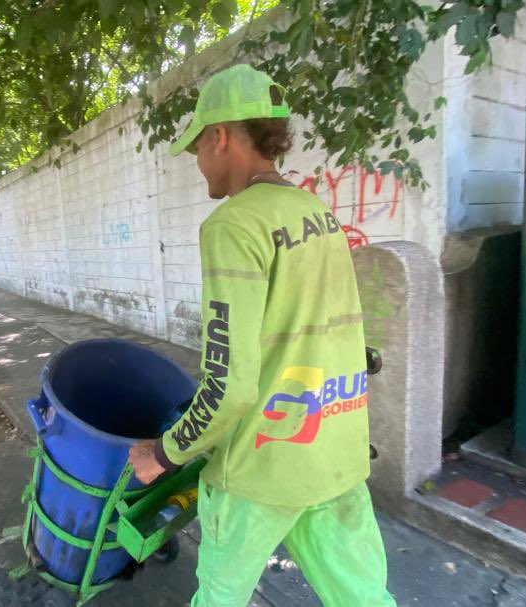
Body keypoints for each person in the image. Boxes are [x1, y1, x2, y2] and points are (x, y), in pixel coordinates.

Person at [127, 64, 395, 607]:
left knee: (220, 597)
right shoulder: (316, 213)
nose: (198, 163)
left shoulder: (233, 225)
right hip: (336, 453)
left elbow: (230, 384)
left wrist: (165, 453)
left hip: (262, 466)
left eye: (197, 148)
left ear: (220, 137)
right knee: (364, 597)